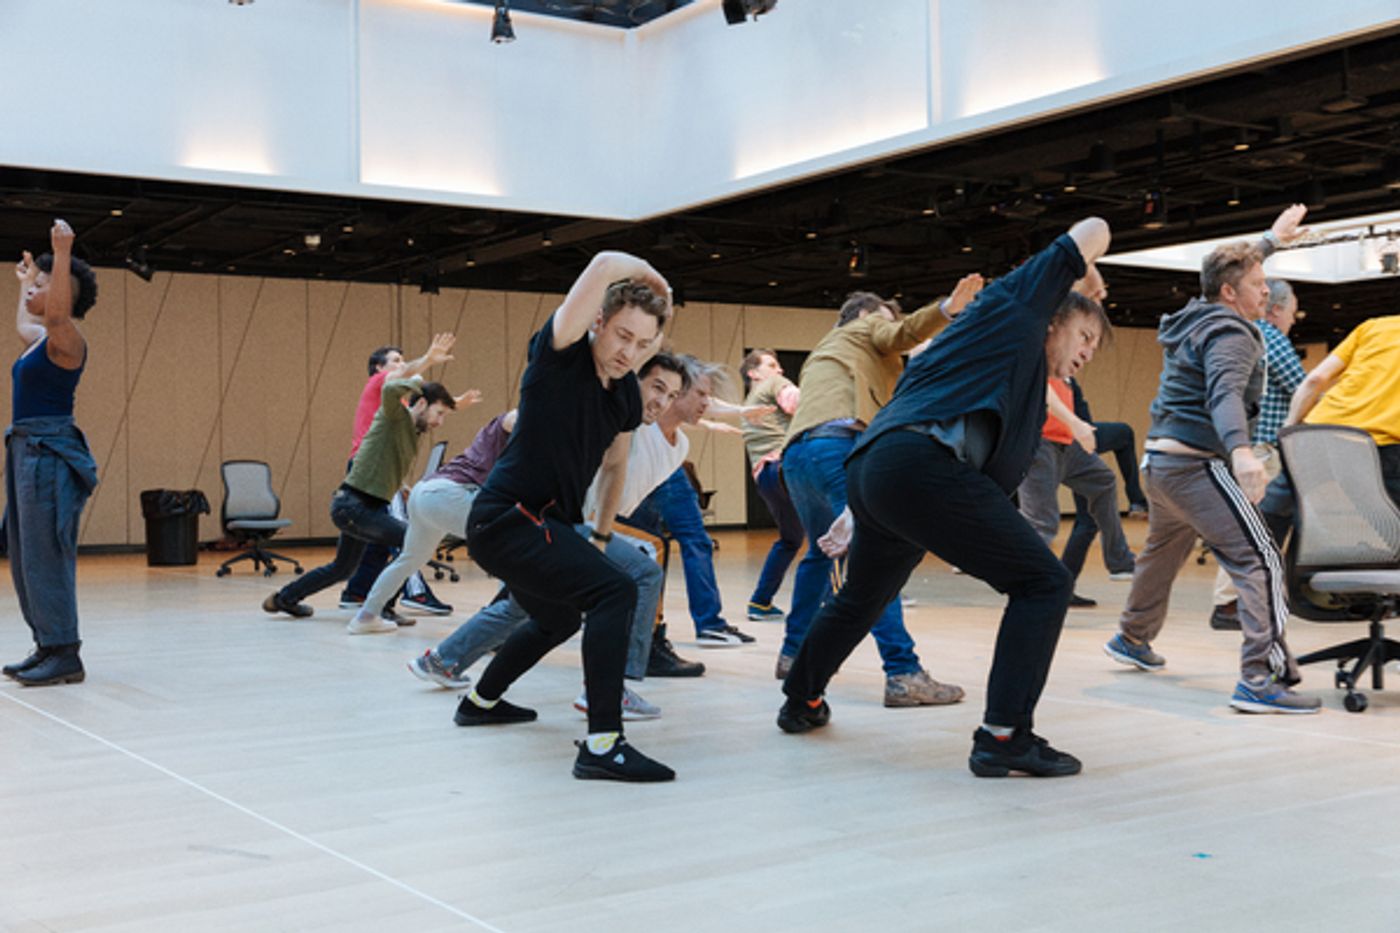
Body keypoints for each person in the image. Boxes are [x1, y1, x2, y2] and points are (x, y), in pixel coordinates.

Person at [777, 218, 1112, 779]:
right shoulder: (1016, 310)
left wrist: (866, 511)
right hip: (913, 469)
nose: (1088, 354)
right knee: (1044, 583)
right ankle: (1004, 736)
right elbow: (1094, 227)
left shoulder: (997, 365)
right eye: (1086, 337)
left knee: (861, 597)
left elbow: (919, 424)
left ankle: (801, 699)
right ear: (1057, 314)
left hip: (885, 471)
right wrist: (1087, 274)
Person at [455, 251, 677, 783]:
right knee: (617, 592)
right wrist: (653, 276)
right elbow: (601, 262)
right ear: (598, 323)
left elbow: (616, 464)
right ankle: (602, 743)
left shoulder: (625, 393)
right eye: (622, 335)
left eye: (643, 343)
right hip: (506, 516)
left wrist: (599, 535)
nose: (629, 352)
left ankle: (480, 701)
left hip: (545, 524)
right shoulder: (560, 354)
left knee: (558, 618)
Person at [1104, 205, 1321, 715]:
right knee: (1262, 559)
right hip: (1195, 466)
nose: (1266, 291)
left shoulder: (1197, 315)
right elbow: (1224, 395)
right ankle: (1260, 679)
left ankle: (1131, 637)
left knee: (1161, 553)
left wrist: (1270, 239)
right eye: (1259, 283)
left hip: (1158, 465)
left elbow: (1224, 270)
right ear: (1231, 293)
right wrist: (1242, 451)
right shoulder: (1232, 332)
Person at [412, 353, 692, 721]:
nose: (663, 400)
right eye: (657, 388)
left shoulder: (621, 423)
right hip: (518, 518)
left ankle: (465, 686)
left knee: (547, 613)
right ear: (629, 380)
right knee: (635, 577)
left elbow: (613, 473)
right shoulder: (585, 406)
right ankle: (609, 694)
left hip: (531, 522)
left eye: (672, 395)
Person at [777, 276, 983, 706]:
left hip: (799, 457)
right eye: (888, 319)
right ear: (866, 316)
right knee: (874, 559)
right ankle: (902, 671)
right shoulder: (865, 327)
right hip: (837, 448)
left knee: (819, 554)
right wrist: (948, 307)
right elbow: (900, 334)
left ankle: (793, 654)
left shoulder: (826, 351)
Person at [262, 375, 461, 629]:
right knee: (412, 540)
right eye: (439, 413)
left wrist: (402, 487)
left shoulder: (411, 430)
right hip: (354, 507)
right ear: (421, 404)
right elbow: (390, 388)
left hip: (362, 508)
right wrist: (421, 370)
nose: (439, 422)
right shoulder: (395, 417)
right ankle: (382, 609)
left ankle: (283, 599)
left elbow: (387, 460)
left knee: (343, 568)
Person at [2, 221, 100, 687]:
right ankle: (47, 644)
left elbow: (55, 315)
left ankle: (65, 652)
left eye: (43, 287)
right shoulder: (41, 341)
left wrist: (62, 254)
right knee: (25, 557)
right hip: (24, 450)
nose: (33, 291)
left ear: (62, 294)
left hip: (48, 453)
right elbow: (27, 322)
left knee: (47, 555)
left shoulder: (66, 340)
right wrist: (24, 285)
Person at [618, 360, 756, 647]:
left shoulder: (678, 444)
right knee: (648, 547)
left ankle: (691, 628)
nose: (707, 401)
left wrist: (737, 412)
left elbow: (695, 404)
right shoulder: (636, 423)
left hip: (667, 472)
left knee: (672, 544)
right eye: (701, 394)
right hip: (589, 511)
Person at [339, 336, 473, 618]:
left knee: (377, 542)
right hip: (367, 469)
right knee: (407, 537)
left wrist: (454, 404)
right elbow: (409, 382)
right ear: (378, 368)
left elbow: (427, 403)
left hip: (380, 470)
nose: (402, 365)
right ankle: (415, 592)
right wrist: (427, 359)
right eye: (396, 361)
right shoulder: (380, 384)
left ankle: (357, 592)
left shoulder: (400, 403)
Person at [1210, 278, 1305, 629]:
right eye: (1292, 313)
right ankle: (1230, 604)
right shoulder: (1272, 338)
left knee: (1251, 527)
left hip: (1253, 448)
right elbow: (1303, 387)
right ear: (1276, 308)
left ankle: (1243, 600)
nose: (1293, 321)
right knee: (1254, 528)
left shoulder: (1248, 335)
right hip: (1266, 451)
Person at [1257, 312, 1400, 536]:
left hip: (1320, 433)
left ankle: (1254, 564)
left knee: (1274, 509)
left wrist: (1289, 428)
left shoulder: (1373, 327)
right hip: (1383, 445)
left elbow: (1315, 380)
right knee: (1390, 524)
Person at [1023, 374, 1136, 610]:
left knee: (1104, 481)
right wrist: (1075, 423)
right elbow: (1041, 388)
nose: (1088, 350)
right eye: (1085, 338)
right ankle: (1034, 593)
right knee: (1043, 524)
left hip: (1068, 444)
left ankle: (1120, 561)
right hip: (1039, 444)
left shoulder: (1065, 371)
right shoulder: (1038, 354)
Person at [740, 348, 802, 622]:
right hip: (785, 467)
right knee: (834, 531)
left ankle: (760, 602)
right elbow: (800, 403)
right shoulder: (774, 385)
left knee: (790, 540)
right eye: (772, 365)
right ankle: (830, 602)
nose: (780, 371)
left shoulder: (748, 405)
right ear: (754, 373)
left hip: (765, 478)